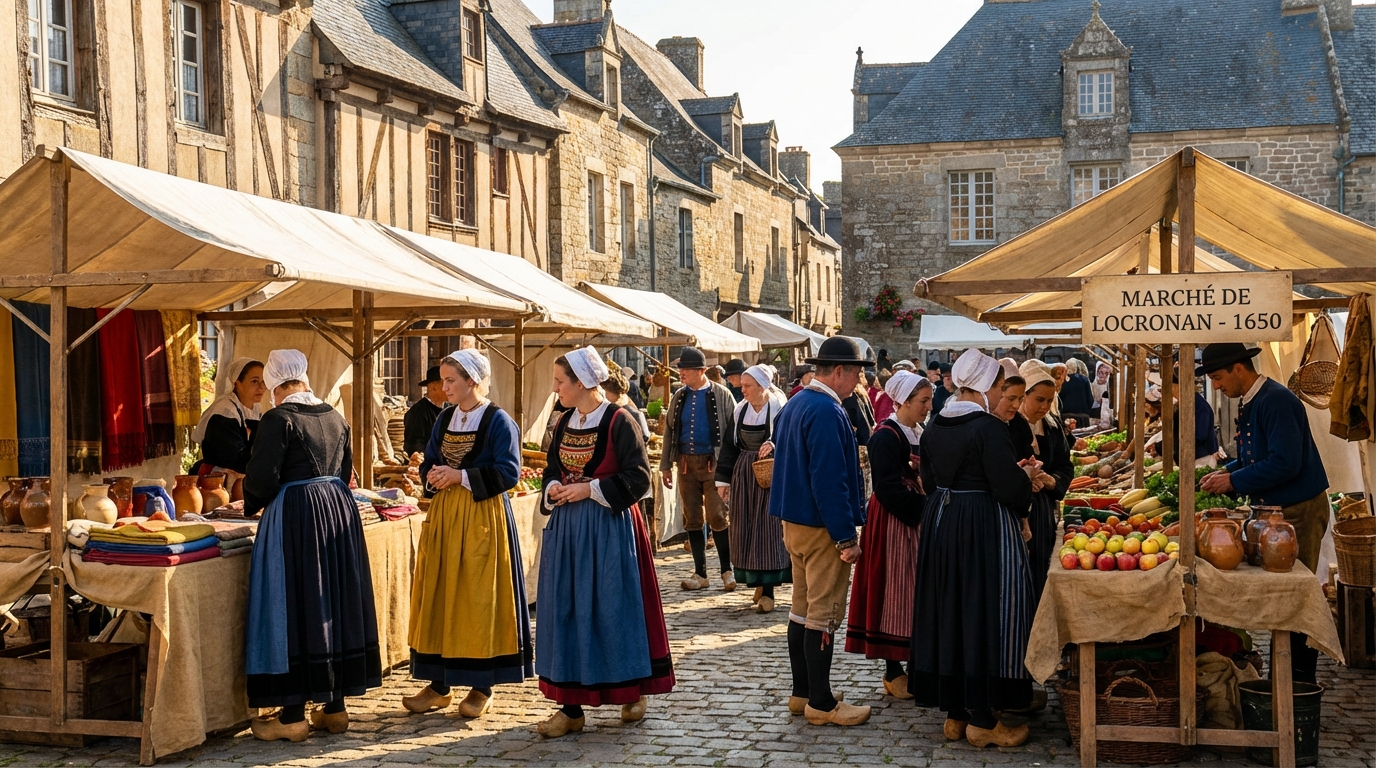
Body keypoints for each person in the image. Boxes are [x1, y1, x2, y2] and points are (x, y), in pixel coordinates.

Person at [536, 346, 674, 737]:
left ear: (581, 383)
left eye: (560, 381)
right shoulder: (563, 422)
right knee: (568, 609)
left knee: (614, 608)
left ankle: (631, 691)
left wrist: (590, 489)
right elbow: (551, 470)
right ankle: (570, 708)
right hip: (567, 532)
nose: (555, 388)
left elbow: (639, 478)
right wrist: (555, 490)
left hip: (609, 531)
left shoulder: (619, 420)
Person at [244, 350, 380, 741]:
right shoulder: (335, 416)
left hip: (298, 515)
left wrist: (250, 502)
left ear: (276, 387)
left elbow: (262, 478)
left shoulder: (279, 418)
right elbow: (343, 471)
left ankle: (291, 716)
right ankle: (334, 708)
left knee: (296, 602)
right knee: (331, 601)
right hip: (337, 509)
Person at [910, 348, 1036, 749]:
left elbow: (929, 481)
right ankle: (983, 719)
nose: (1002, 394)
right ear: (984, 386)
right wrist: (1027, 480)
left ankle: (956, 714)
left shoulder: (934, 426)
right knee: (984, 611)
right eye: (1000, 387)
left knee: (951, 611)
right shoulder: (986, 428)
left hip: (942, 523)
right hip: (981, 525)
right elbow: (1007, 487)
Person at [402, 350, 531, 720]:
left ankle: (482, 686)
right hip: (445, 516)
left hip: (481, 518)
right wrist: (430, 473)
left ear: (472, 380)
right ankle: (439, 684)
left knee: (477, 598)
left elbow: (509, 472)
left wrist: (460, 476)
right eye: (443, 381)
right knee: (440, 592)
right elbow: (429, 457)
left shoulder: (497, 420)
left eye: (450, 381)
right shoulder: (445, 418)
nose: (444, 388)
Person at [1198, 343, 1329, 685]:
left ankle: (1297, 682)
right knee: (1284, 595)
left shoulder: (1276, 400)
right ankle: (1282, 677)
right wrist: (1228, 470)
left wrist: (1234, 480)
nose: (1216, 386)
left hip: (1298, 510)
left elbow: (1285, 462)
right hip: (1276, 511)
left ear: (1239, 369)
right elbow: (1257, 454)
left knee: (1294, 598)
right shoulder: (1253, 400)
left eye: (1218, 378)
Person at [769, 336, 874, 727]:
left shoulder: (797, 401)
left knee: (801, 609)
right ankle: (821, 701)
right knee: (823, 615)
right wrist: (845, 536)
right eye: (857, 373)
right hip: (820, 524)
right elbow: (829, 480)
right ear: (841, 371)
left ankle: (802, 692)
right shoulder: (828, 410)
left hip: (794, 520)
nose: (859, 382)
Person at [846, 370, 931, 699]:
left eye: (928, 400)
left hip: (914, 514)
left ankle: (914, 661)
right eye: (922, 401)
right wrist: (922, 507)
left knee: (914, 590)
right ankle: (893, 668)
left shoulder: (918, 431)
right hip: (895, 520)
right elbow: (885, 487)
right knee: (895, 587)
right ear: (904, 401)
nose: (928, 406)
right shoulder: (885, 435)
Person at [659, 346, 738, 591]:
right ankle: (700, 573)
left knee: (717, 515)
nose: (681, 373)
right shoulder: (679, 396)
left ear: (701, 371)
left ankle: (727, 570)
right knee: (692, 518)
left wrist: (729, 466)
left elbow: (733, 431)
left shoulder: (722, 394)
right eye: (681, 368)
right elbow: (669, 431)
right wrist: (665, 466)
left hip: (713, 463)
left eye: (686, 369)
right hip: (685, 464)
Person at [715, 364, 790, 613]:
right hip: (745, 475)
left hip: (771, 475)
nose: (742, 389)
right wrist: (723, 481)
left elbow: (788, 438)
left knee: (767, 530)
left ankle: (769, 591)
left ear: (761, 387)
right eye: (743, 385)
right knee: (745, 528)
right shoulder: (740, 410)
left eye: (748, 386)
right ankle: (756, 581)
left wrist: (774, 444)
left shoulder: (778, 409)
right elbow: (729, 447)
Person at [1010, 360, 1073, 603]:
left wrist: (1050, 480)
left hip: (1044, 512)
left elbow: (1065, 465)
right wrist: (1024, 480)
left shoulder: (1053, 426)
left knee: (1042, 571)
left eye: (1049, 400)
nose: (1045, 406)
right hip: (1017, 513)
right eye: (1039, 400)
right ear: (1024, 395)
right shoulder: (1008, 426)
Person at [192, 357, 265, 478]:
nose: (261, 387)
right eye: (254, 381)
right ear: (237, 383)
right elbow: (233, 458)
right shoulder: (225, 412)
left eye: (263, 382)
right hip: (216, 478)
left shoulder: (256, 408)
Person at [403, 366, 447, 458]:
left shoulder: (449, 408)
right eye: (445, 384)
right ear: (433, 387)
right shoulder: (418, 412)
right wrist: (418, 454)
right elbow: (414, 443)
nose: (448, 388)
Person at [1059, 359, 1095, 428]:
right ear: (1076, 368)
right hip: (1083, 417)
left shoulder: (1062, 380)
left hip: (1066, 417)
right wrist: (1086, 412)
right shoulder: (1085, 380)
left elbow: (1059, 399)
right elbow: (1090, 399)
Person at [843, 378, 877, 446]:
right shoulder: (862, 391)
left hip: (856, 442)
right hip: (867, 440)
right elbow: (871, 419)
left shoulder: (846, 396)